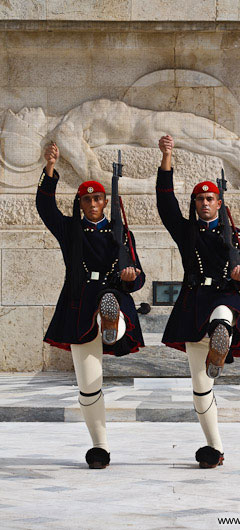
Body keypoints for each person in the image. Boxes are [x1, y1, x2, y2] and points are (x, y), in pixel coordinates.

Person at [36, 142, 145, 469]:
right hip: (78, 304)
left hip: (112, 295)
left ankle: (111, 324)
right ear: (80, 203)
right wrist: (50, 170)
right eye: (87, 199)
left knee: (112, 301)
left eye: (98, 198)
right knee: (88, 385)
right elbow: (45, 208)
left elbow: (138, 280)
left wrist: (129, 276)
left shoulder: (121, 233)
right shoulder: (70, 230)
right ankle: (100, 447)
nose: (93, 203)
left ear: (105, 201)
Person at [156, 135, 240, 469]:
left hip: (225, 296)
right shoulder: (187, 233)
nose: (205, 203)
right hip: (193, 302)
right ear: (195, 204)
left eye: (210, 198)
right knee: (200, 387)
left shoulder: (238, 237)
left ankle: (221, 334)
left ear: (219, 202)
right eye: (199, 199)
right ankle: (215, 447)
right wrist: (166, 158)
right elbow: (165, 203)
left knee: (224, 313)